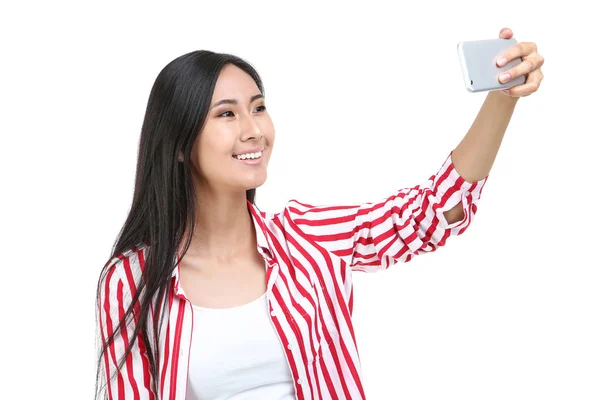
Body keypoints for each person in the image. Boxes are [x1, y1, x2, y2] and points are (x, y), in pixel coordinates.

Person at [95, 27, 544, 400]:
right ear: (177, 144)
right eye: (226, 114)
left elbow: (431, 213)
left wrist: (503, 99)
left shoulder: (310, 237)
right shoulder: (133, 280)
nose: (254, 130)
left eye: (259, 108)